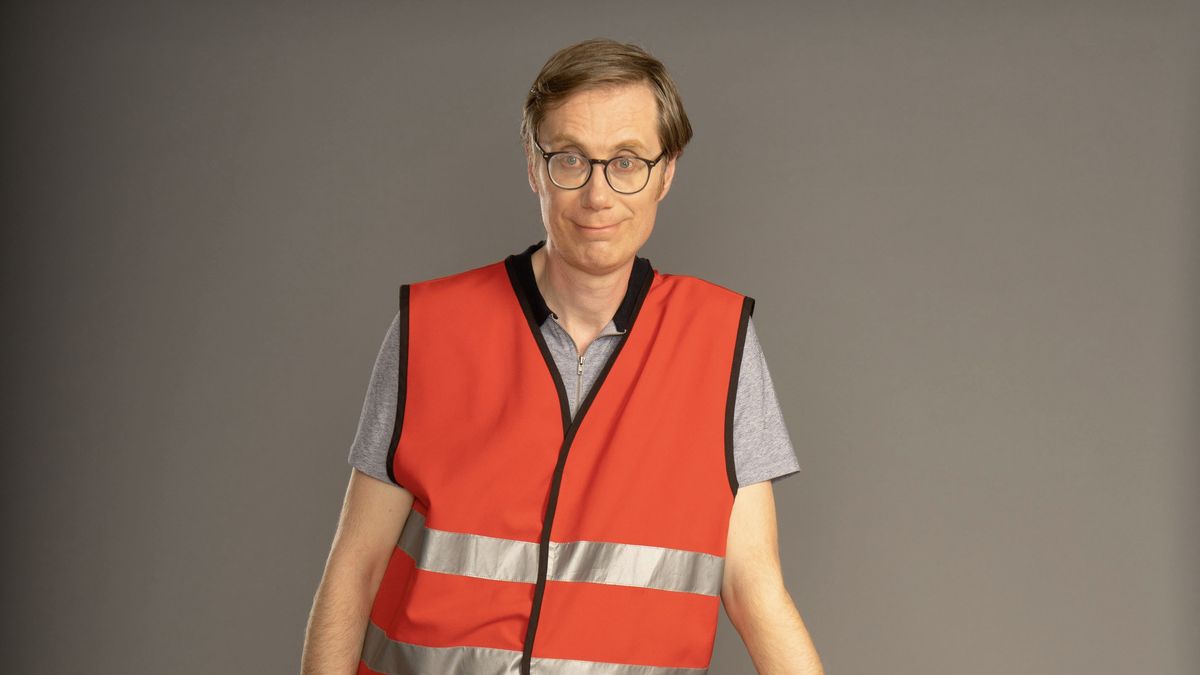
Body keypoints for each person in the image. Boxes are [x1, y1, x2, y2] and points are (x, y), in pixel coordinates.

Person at [302, 38, 825, 675]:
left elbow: (755, 588)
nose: (598, 195)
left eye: (628, 161)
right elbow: (355, 568)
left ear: (667, 171)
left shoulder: (722, 341)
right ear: (533, 163)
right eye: (571, 159)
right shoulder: (429, 328)